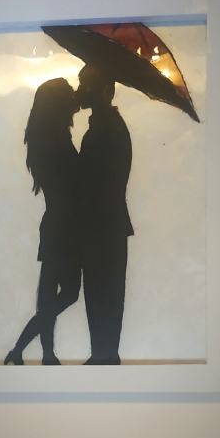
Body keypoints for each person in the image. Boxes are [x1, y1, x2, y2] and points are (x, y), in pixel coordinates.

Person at [4, 78, 81, 365]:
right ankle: (27, 351)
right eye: (69, 97)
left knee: (50, 296)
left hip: (56, 223)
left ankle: (34, 352)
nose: (74, 101)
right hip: (65, 226)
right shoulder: (57, 141)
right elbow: (72, 183)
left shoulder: (46, 138)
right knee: (67, 293)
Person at [76, 63, 134, 365]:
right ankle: (103, 355)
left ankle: (103, 357)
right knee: (103, 297)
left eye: (85, 84)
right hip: (105, 227)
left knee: (102, 296)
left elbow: (95, 183)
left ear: (104, 90)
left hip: (102, 228)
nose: (79, 91)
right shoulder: (106, 127)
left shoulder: (104, 130)